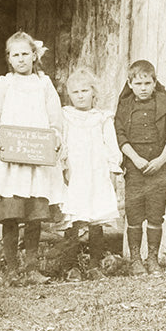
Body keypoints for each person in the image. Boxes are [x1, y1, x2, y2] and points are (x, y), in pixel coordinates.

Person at [0, 31, 65, 274]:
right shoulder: (3, 85)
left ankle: (31, 266)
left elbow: (55, 118)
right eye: (15, 55)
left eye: (25, 54)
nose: (21, 59)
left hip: (36, 159)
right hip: (11, 162)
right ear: (9, 58)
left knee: (34, 214)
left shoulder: (44, 84)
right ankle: (11, 268)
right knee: (11, 213)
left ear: (34, 56)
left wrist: (55, 137)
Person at [114, 59, 166, 273]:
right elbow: (120, 135)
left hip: (158, 170)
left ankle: (152, 259)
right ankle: (135, 260)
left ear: (154, 82)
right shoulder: (125, 106)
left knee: (155, 214)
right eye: (138, 84)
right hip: (135, 170)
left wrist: (160, 160)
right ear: (130, 84)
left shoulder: (163, 104)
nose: (143, 88)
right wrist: (136, 159)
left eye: (147, 83)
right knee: (134, 214)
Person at [60, 68, 122, 271]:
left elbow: (111, 146)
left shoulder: (102, 118)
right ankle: (71, 266)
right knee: (74, 218)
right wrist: (63, 167)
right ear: (69, 94)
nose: (80, 96)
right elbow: (61, 145)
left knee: (96, 219)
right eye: (75, 92)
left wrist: (112, 171)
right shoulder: (66, 116)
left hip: (97, 173)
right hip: (75, 174)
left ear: (93, 92)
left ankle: (95, 264)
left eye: (84, 91)